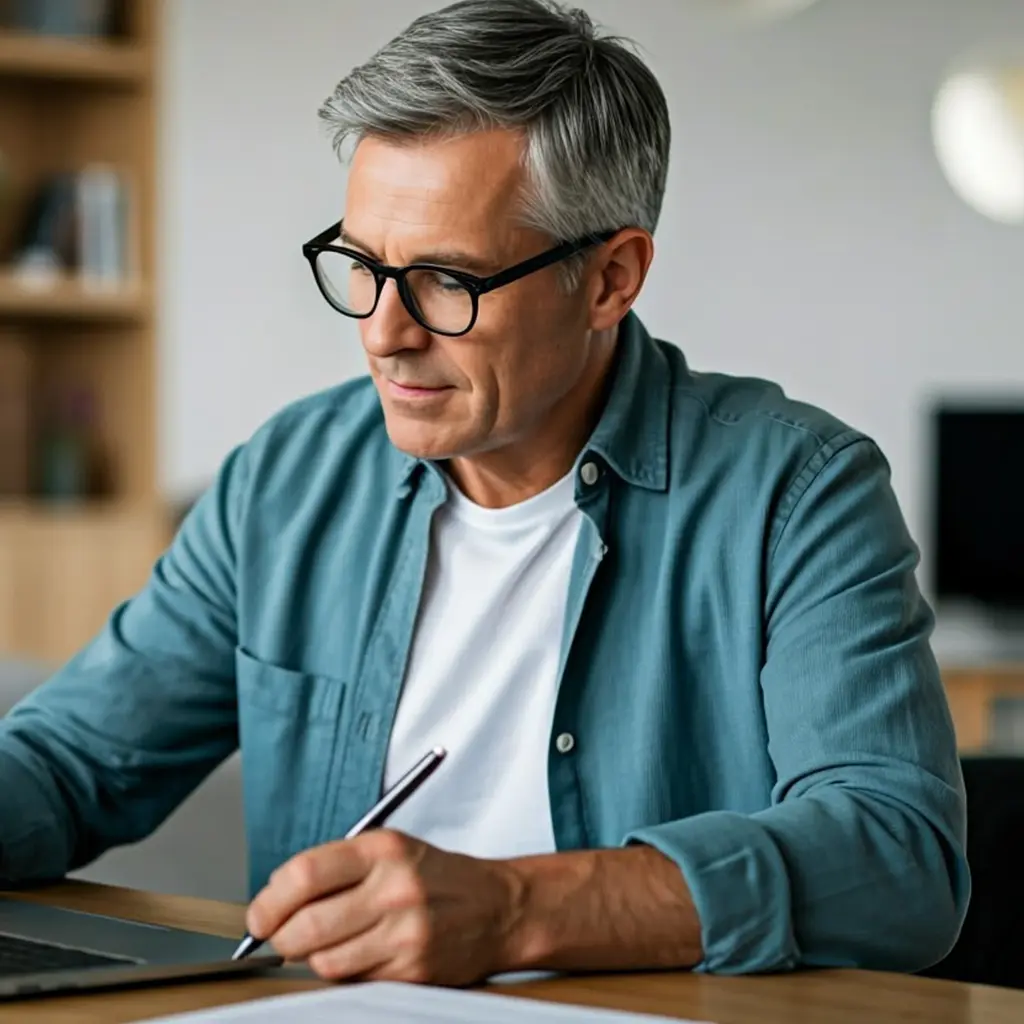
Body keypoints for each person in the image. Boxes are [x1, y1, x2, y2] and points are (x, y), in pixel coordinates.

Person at [0, 0, 967, 986]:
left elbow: (896, 859)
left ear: (610, 278)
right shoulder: (287, 480)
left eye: (445, 281)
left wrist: (514, 910)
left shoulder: (796, 494)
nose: (384, 331)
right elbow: (68, 761)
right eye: (364, 266)